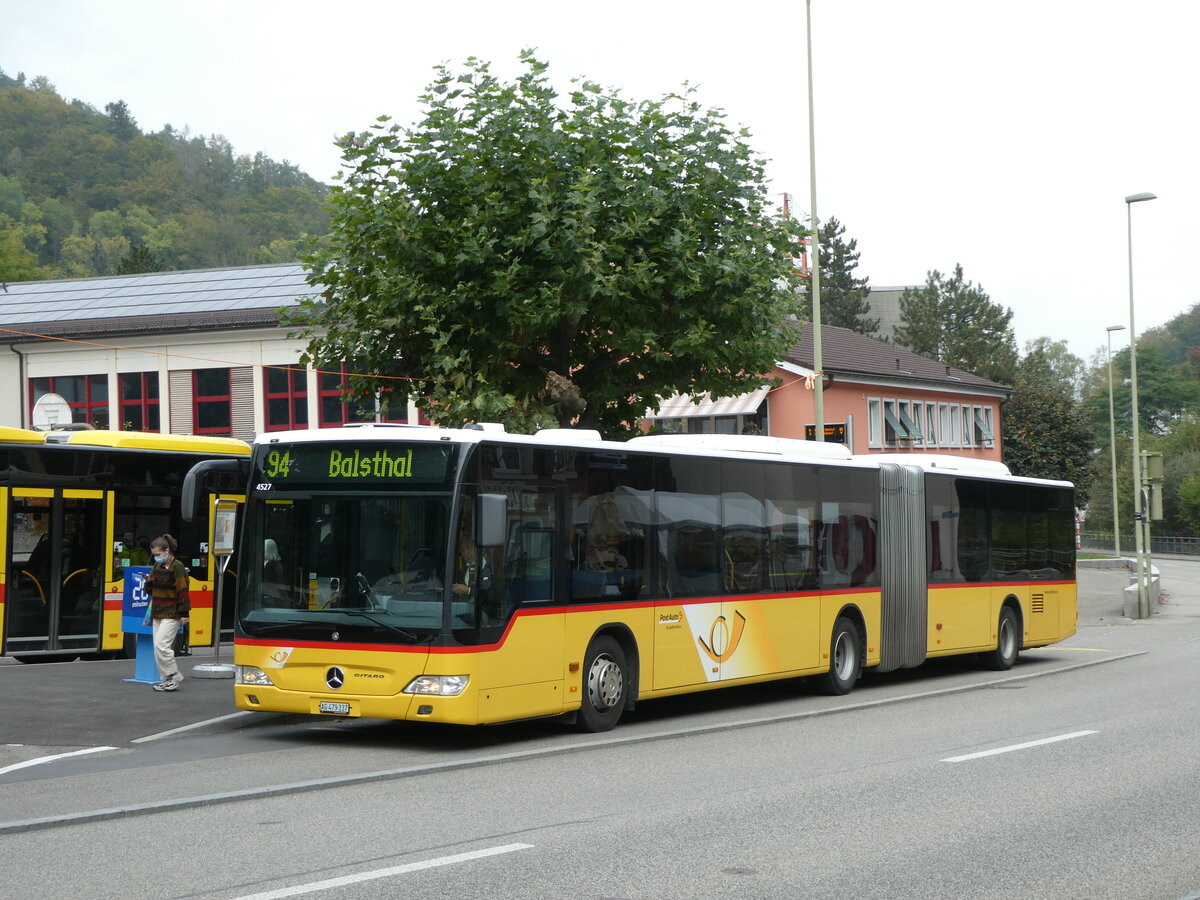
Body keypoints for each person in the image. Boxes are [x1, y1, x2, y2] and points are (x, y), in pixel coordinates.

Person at [145, 533, 190, 692]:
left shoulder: (177, 567)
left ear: (166, 551)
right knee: (158, 647)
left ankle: (174, 675)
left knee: (161, 645)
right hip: (158, 611)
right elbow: (151, 591)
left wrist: (184, 613)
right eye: (154, 555)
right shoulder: (157, 567)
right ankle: (166, 679)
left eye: (157, 554)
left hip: (172, 613)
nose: (155, 558)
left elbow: (183, 590)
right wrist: (148, 582)